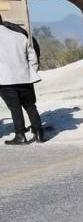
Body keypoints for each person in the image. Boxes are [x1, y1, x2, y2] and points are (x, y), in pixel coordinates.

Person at [0, 13, 45, 145]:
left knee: (15, 108)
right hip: (25, 77)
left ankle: (20, 136)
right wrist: (31, 72)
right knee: (30, 106)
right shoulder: (19, 36)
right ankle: (39, 134)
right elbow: (33, 57)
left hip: (5, 80)